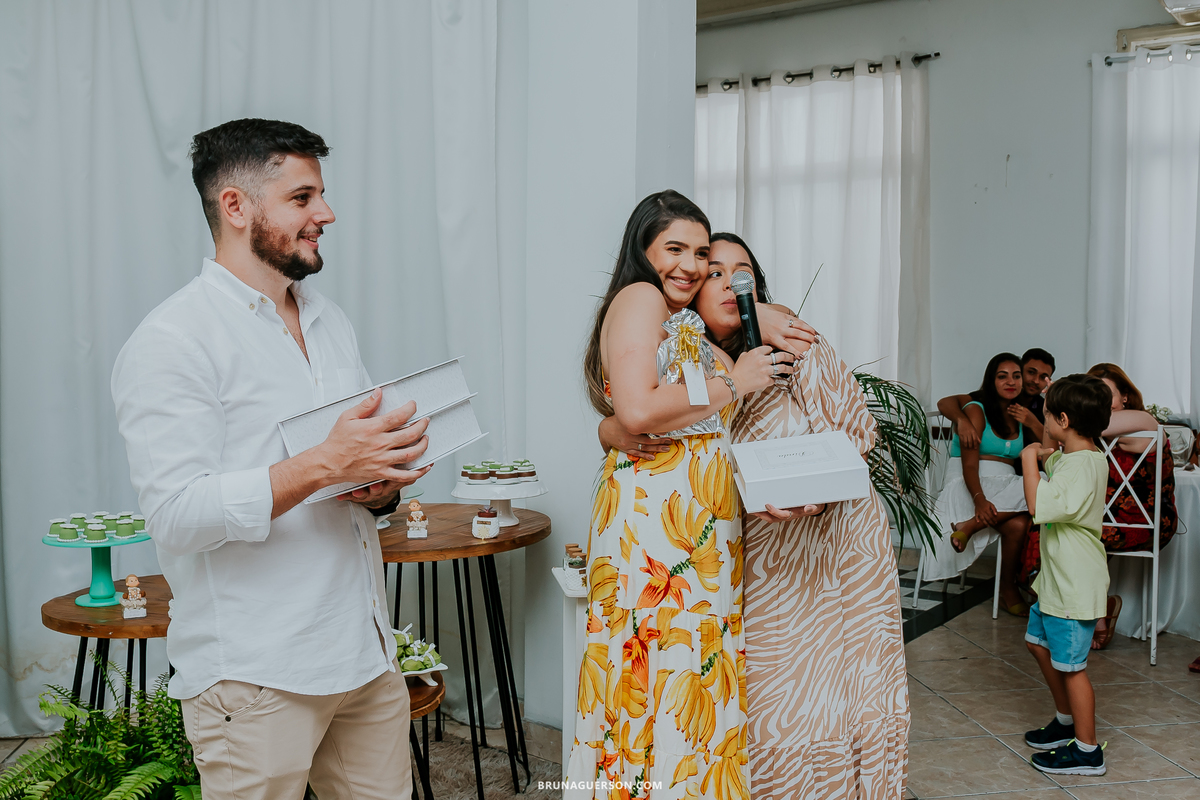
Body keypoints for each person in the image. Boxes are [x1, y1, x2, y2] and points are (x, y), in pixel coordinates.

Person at [112, 119, 429, 800]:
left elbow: (349, 466)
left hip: (364, 653)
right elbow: (176, 517)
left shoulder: (328, 319)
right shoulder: (171, 341)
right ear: (236, 207)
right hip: (256, 676)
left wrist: (379, 482)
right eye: (302, 198)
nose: (326, 215)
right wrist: (325, 463)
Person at [599, 232, 909, 799]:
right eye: (712, 271)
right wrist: (612, 429)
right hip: (748, 558)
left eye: (742, 274)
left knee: (833, 699)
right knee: (761, 702)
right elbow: (644, 426)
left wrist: (818, 489)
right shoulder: (680, 355)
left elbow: (857, 434)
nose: (726, 282)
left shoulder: (792, 342)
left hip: (830, 551)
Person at [567, 194, 790, 799]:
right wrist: (733, 380)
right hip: (656, 526)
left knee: (693, 666)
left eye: (700, 252)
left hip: (701, 523)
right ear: (643, 251)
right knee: (661, 664)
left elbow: (701, 426)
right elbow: (636, 410)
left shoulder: (685, 323)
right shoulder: (640, 297)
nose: (690, 266)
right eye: (676, 249)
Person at [1018, 362, 1178, 649]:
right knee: (1048, 528)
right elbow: (1051, 452)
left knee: (1058, 529)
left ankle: (1087, 610)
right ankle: (1072, 607)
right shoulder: (1083, 441)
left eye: (1105, 394)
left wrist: (1061, 403)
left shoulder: (1142, 421)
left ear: (1125, 397)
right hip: (1101, 515)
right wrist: (1052, 412)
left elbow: (1088, 422)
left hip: (1140, 521)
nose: (1100, 400)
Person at [1021, 374, 1112, 777]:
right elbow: (1050, 453)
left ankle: (1088, 750)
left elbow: (1037, 503)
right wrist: (1045, 442)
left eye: (1047, 414)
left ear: (1062, 419)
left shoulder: (1080, 468)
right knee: (1038, 644)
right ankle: (1064, 721)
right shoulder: (1078, 457)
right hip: (1056, 582)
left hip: (1075, 586)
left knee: (1072, 669)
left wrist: (1028, 459)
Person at [923, 353, 1032, 615]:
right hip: (970, 484)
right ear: (991, 380)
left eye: (1016, 376)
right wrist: (979, 499)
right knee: (1039, 490)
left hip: (1004, 487)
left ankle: (971, 529)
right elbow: (970, 465)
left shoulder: (1019, 414)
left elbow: (1049, 449)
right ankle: (1008, 587)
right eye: (1002, 376)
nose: (1010, 382)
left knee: (1021, 521)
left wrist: (1032, 421)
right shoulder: (976, 409)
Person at [940, 348, 1055, 448]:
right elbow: (945, 403)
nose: (1035, 381)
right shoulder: (987, 398)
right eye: (1031, 372)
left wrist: (1033, 423)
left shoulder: (1046, 407)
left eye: (1043, 377)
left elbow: (1053, 449)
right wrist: (962, 421)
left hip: (1031, 469)